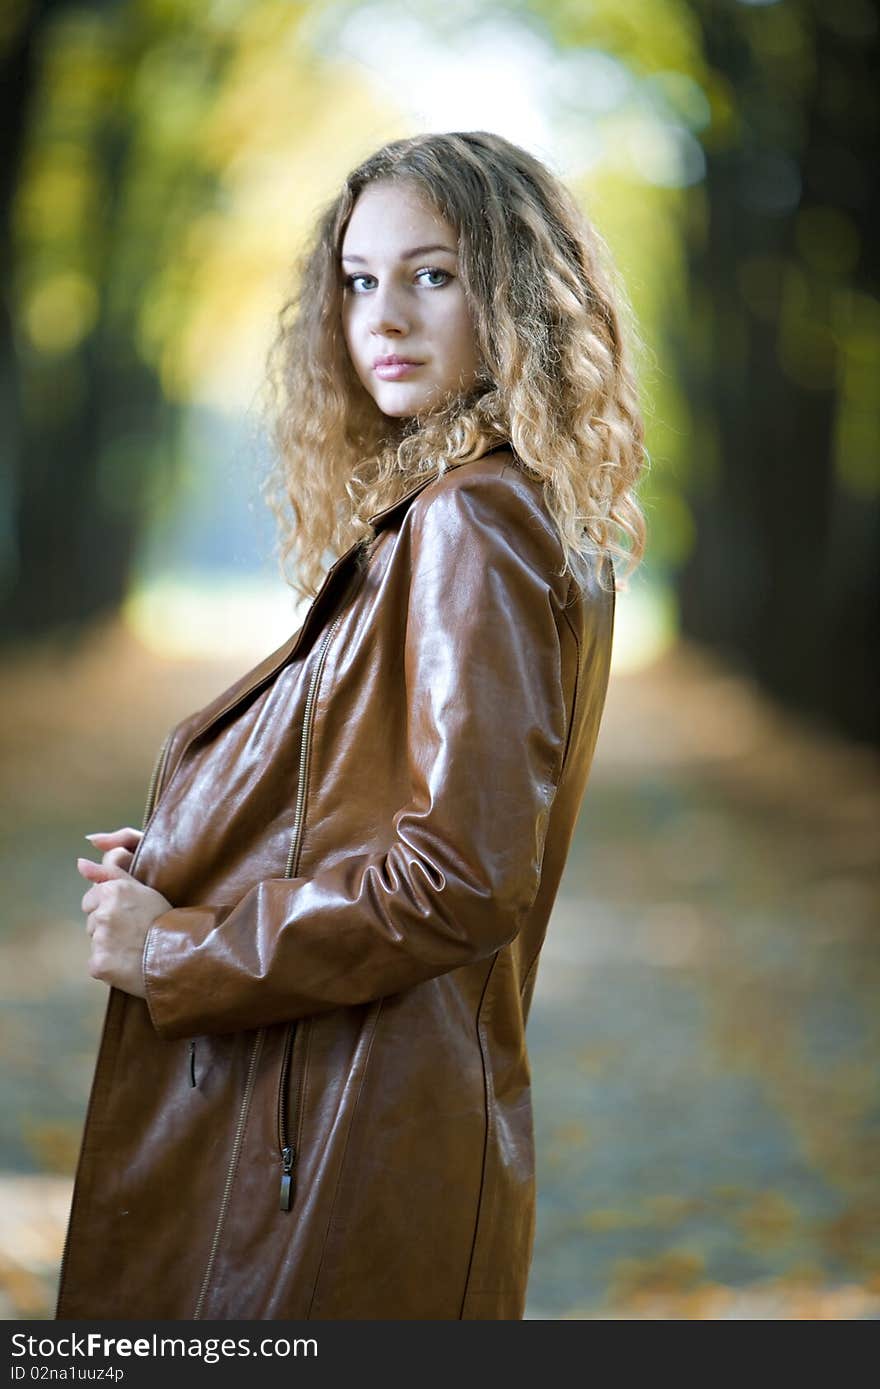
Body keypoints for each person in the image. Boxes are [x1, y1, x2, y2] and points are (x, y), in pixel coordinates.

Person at [57, 130, 646, 1321]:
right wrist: (199, 855)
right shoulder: (490, 509)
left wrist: (174, 950)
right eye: (360, 279)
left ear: (517, 294)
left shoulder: (471, 523)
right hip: (349, 1127)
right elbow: (371, 801)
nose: (385, 315)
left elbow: (459, 877)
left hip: (342, 1148)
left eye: (433, 275)